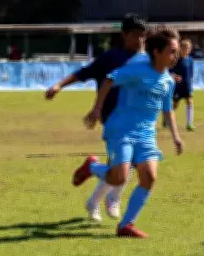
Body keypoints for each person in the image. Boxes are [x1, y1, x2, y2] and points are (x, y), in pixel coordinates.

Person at [74, 26, 184, 238]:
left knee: (149, 177)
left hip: (146, 135)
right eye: (172, 51)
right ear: (156, 52)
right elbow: (109, 79)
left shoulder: (168, 81)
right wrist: (97, 109)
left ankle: (126, 225)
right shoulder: (137, 69)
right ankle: (92, 166)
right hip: (122, 129)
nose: (175, 56)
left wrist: (176, 137)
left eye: (176, 51)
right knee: (118, 178)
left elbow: (168, 110)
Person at [45, 13, 148, 222]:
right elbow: (84, 73)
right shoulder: (112, 58)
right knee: (123, 165)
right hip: (113, 119)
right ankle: (107, 193)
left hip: (135, 119)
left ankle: (99, 197)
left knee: (126, 165)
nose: (140, 40)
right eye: (135, 35)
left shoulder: (145, 60)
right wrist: (59, 86)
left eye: (143, 36)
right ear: (124, 34)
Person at [168, 38, 195, 131]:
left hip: (187, 86)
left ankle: (189, 124)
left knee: (190, 102)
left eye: (188, 48)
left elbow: (191, 74)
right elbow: (169, 71)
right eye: (184, 48)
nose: (186, 50)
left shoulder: (190, 60)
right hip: (177, 87)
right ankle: (167, 119)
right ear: (180, 48)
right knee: (175, 105)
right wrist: (174, 76)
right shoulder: (175, 60)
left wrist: (191, 85)